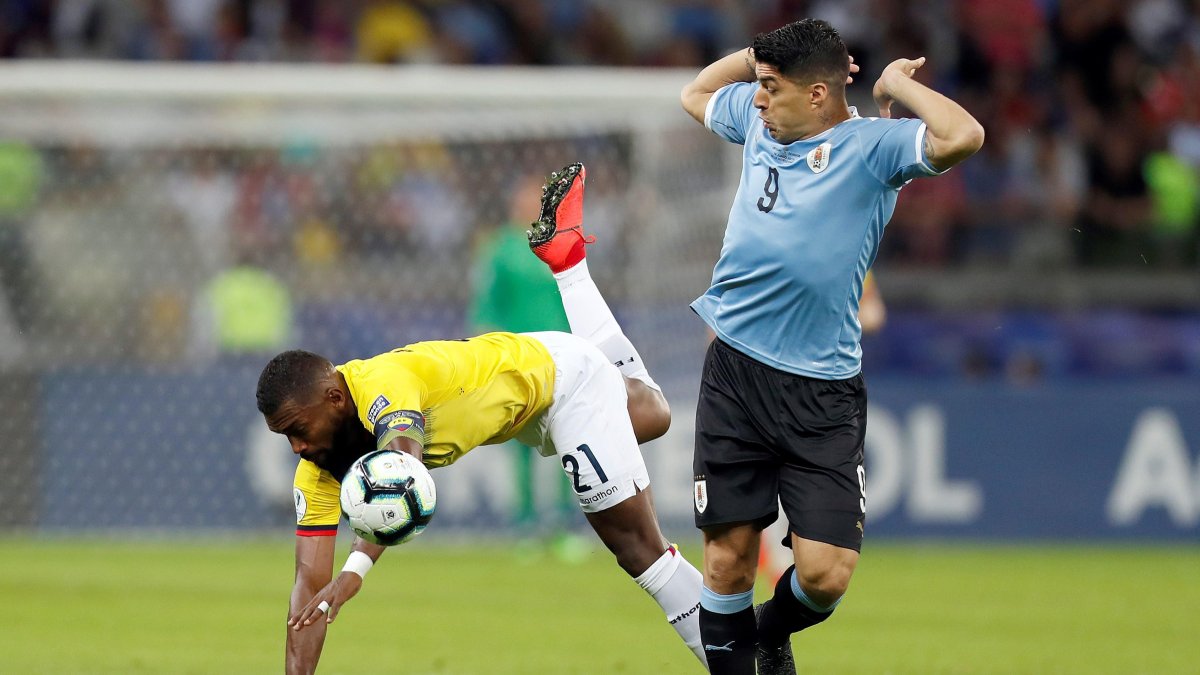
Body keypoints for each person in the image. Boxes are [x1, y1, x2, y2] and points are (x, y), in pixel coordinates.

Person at [256, 164, 706, 674]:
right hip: (525, 405)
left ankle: (736, 655)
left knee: (636, 546)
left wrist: (356, 568)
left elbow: (404, 469)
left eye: (297, 428)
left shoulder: (382, 385)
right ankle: (569, 264)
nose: (295, 446)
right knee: (654, 413)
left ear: (336, 397)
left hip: (560, 382)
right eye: (283, 436)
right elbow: (307, 592)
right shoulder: (316, 470)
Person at [679, 19, 984, 674]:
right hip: (734, 368)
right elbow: (697, 93)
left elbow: (964, 135)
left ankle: (767, 631)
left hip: (822, 390)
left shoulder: (873, 148)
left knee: (825, 574)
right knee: (728, 558)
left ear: (818, 94)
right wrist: (758, 56)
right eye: (758, 85)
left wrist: (900, 82)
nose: (757, 99)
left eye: (770, 87)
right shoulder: (757, 121)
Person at [468, 172, 580, 546]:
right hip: (517, 354)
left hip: (562, 351)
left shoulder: (562, 243)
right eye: (523, 198)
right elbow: (487, 304)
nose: (528, 205)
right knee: (521, 439)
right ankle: (526, 522)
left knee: (567, 437)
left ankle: (563, 525)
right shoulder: (500, 248)